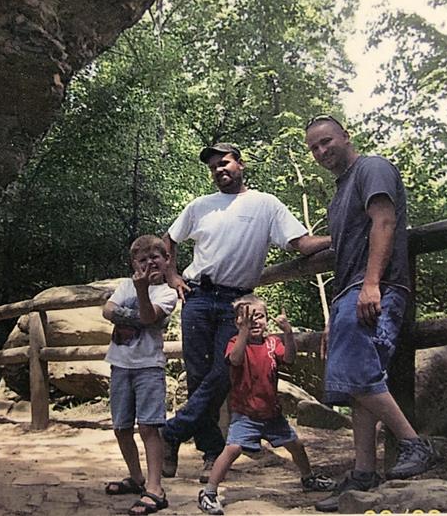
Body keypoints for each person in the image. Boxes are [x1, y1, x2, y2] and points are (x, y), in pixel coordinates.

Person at [161, 142, 331, 482]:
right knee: (198, 376)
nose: (219, 170)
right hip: (197, 296)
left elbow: (302, 243)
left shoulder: (265, 204)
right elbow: (169, 240)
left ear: (241, 164)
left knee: (225, 371)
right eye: (213, 167)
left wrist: (341, 236)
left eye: (224, 162)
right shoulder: (200, 206)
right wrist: (172, 276)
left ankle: (172, 432)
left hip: (236, 303)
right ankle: (211, 452)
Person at [304, 115, 436, 512]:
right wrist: (335, 314)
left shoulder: (372, 168)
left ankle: (414, 443)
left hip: (375, 287)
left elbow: (385, 221)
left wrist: (372, 283)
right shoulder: (339, 194)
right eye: (314, 147)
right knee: (358, 380)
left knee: (358, 374)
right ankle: (364, 472)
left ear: (346, 136)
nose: (321, 151)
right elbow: (342, 248)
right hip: (351, 290)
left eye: (327, 141)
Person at [197, 294, 335, 515]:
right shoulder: (235, 343)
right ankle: (209, 492)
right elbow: (235, 359)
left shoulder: (272, 343)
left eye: (259, 316)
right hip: (245, 413)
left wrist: (288, 332)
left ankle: (308, 478)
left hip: (272, 413)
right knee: (233, 449)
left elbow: (289, 358)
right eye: (246, 317)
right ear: (237, 322)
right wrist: (243, 332)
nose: (254, 321)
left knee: (296, 445)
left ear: (267, 320)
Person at [103, 235, 178, 516]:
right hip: (120, 364)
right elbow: (107, 310)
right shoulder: (125, 285)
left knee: (148, 427)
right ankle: (136, 478)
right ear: (134, 263)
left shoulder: (167, 293)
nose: (149, 263)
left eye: (155, 257)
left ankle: (155, 488)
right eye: (142, 259)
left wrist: (141, 294)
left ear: (167, 260)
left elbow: (148, 317)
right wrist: (133, 313)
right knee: (121, 427)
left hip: (149, 366)